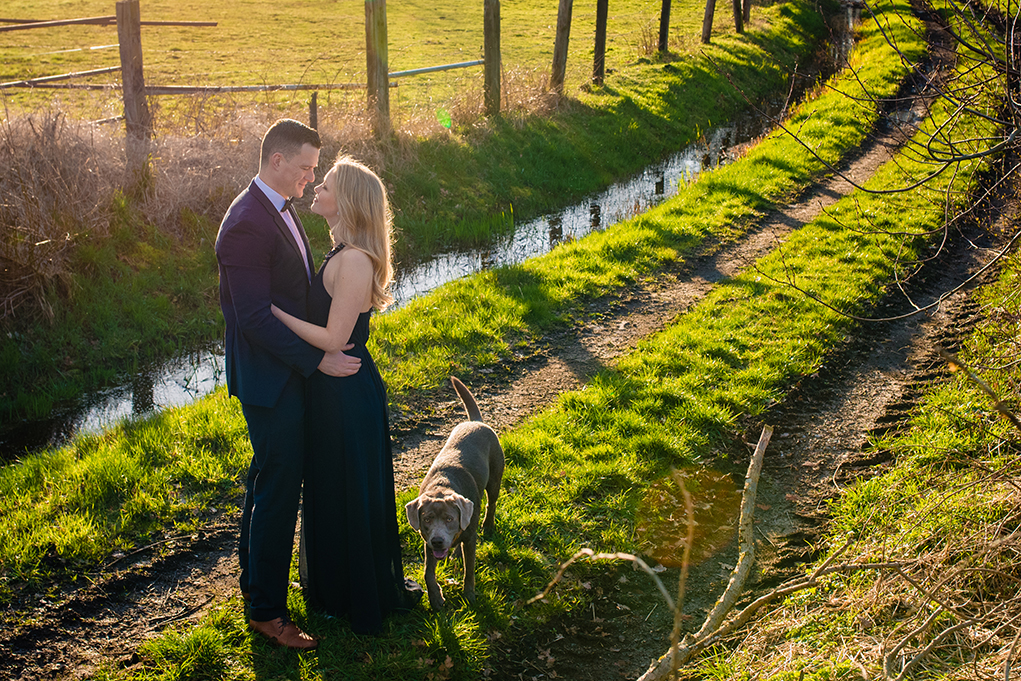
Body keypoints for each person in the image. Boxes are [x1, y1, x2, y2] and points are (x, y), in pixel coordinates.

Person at [215, 119, 361, 650]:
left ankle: (255, 590)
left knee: (268, 481)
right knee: (278, 489)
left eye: (314, 170)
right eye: (305, 167)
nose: (310, 177)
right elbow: (252, 316)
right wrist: (316, 359)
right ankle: (268, 613)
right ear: (276, 160)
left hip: (286, 373)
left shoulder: (280, 208)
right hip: (269, 380)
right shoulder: (247, 223)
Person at [271, 155, 421, 635]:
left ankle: (354, 593)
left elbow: (335, 339)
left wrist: (277, 315)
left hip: (346, 393)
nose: (316, 188)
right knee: (333, 486)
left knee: (347, 489)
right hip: (334, 389)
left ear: (348, 201)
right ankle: (337, 588)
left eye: (327, 184)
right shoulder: (343, 253)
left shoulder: (354, 260)